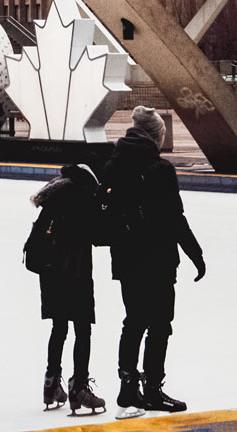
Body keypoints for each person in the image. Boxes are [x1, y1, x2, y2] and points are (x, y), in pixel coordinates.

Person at [103, 105, 205, 418]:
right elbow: (175, 218)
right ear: (156, 136)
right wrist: (196, 254)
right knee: (159, 325)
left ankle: (127, 388)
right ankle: (152, 389)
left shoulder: (113, 165)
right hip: (158, 261)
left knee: (133, 322)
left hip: (126, 259)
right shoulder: (160, 170)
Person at [28, 164, 105, 416]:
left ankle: (51, 384)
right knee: (83, 330)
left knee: (59, 328)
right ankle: (79, 388)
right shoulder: (82, 198)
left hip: (51, 275)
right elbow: (98, 235)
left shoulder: (53, 199)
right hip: (76, 273)